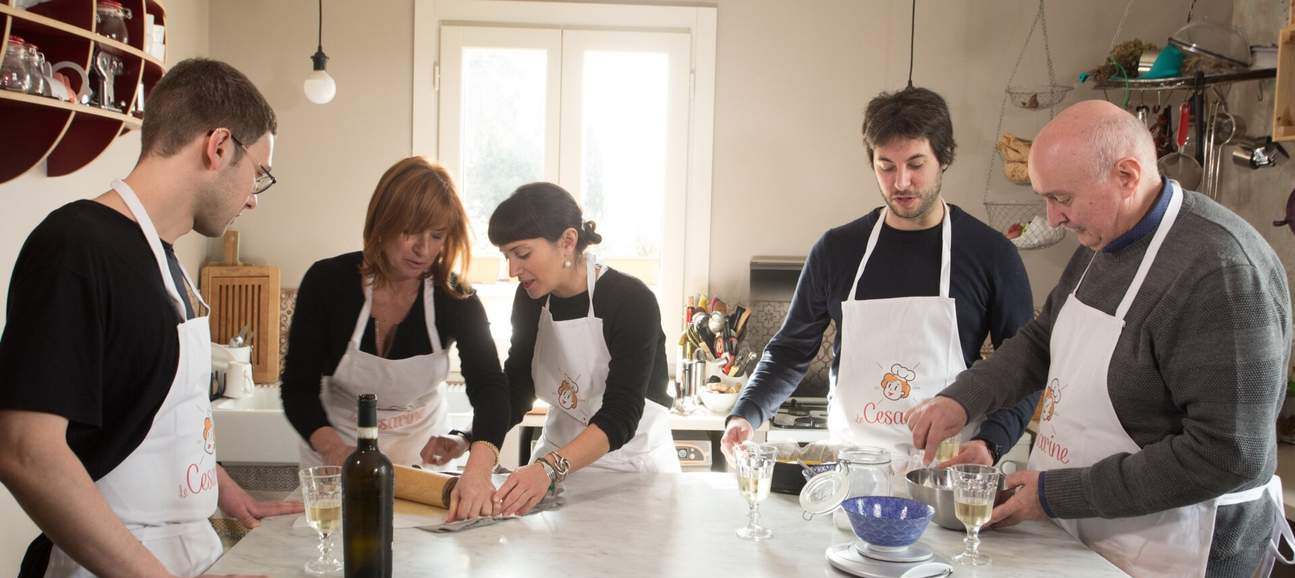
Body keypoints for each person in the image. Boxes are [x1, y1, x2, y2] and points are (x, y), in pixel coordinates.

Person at [906, 100, 1295, 578]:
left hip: (1178, 547)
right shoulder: (1104, 236)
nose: (1052, 218)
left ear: (1125, 175)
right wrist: (962, 398)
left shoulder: (1220, 270)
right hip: (1091, 521)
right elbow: (1043, 339)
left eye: (1061, 199)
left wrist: (1055, 492)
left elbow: (1230, 455)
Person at [0, 58, 303, 578]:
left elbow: (151, 411)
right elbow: (25, 451)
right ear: (218, 146)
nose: (255, 196)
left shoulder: (164, 258)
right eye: (258, 173)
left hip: (185, 569)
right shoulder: (75, 246)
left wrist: (224, 490)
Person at [721, 86, 1038, 472]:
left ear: (944, 159)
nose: (901, 182)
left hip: (943, 473)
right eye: (886, 166)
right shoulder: (837, 250)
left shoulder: (991, 254)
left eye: (916, 164)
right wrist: (745, 414)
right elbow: (789, 351)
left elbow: (1024, 369)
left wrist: (991, 442)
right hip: (850, 471)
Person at [282, 157, 509, 521]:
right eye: (410, 232)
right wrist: (333, 449)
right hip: (338, 454)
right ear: (382, 223)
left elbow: (491, 389)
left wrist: (477, 467)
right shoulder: (327, 283)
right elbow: (297, 388)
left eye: (436, 235)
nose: (423, 249)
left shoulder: (456, 298)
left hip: (421, 464)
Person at [489, 182, 680, 515]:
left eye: (522, 254)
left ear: (567, 241)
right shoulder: (531, 299)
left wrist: (549, 468)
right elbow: (518, 386)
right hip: (554, 464)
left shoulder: (631, 300)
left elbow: (621, 415)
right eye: (507, 256)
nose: (512, 270)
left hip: (633, 469)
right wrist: (471, 437)